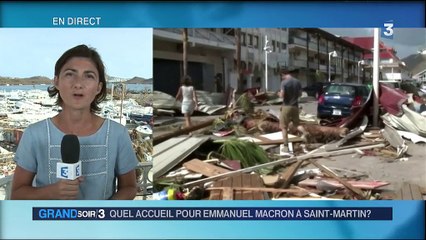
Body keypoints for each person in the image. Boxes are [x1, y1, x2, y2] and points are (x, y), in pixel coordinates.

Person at [11, 44, 139, 200]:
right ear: (56, 82)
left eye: (89, 76)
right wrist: (51, 192)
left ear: (99, 87)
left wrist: (103, 215)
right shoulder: (34, 134)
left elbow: (130, 187)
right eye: (70, 74)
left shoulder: (118, 134)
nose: (78, 83)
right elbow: (17, 195)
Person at [278, 68, 308, 156]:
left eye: (281, 76)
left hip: (286, 106)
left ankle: (286, 146)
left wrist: (278, 94)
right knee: (297, 124)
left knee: (283, 127)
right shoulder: (297, 82)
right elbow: (300, 94)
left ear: (283, 74)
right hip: (295, 106)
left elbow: (282, 95)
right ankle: (305, 132)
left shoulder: (284, 82)